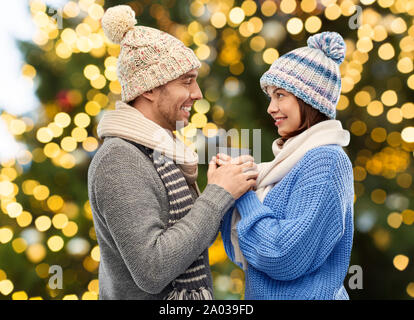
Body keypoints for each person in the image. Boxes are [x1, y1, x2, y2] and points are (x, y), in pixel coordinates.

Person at [87, 5, 257, 300]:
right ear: (149, 89)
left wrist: (223, 190)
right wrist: (216, 195)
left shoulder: (162, 152)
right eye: (186, 81)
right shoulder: (119, 159)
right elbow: (152, 269)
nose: (198, 94)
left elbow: (187, 241)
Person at [218, 31, 355, 300]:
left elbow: (284, 255)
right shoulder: (286, 163)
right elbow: (246, 251)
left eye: (280, 95)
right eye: (270, 96)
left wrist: (244, 195)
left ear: (310, 100)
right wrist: (224, 188)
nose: (271, 107)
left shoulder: (325, 162)